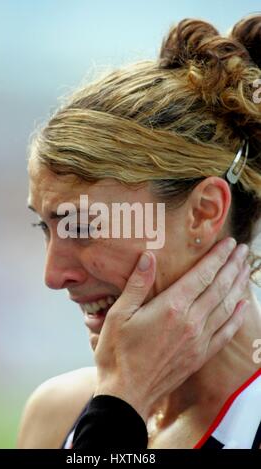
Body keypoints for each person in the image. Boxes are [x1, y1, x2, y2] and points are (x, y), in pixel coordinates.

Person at [17, 14, 261, 449]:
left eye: (82, 226)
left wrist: (116, 411)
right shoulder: (55, 413)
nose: (53, 276)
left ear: (204, 212)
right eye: (46, 226)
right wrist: (120, 401)